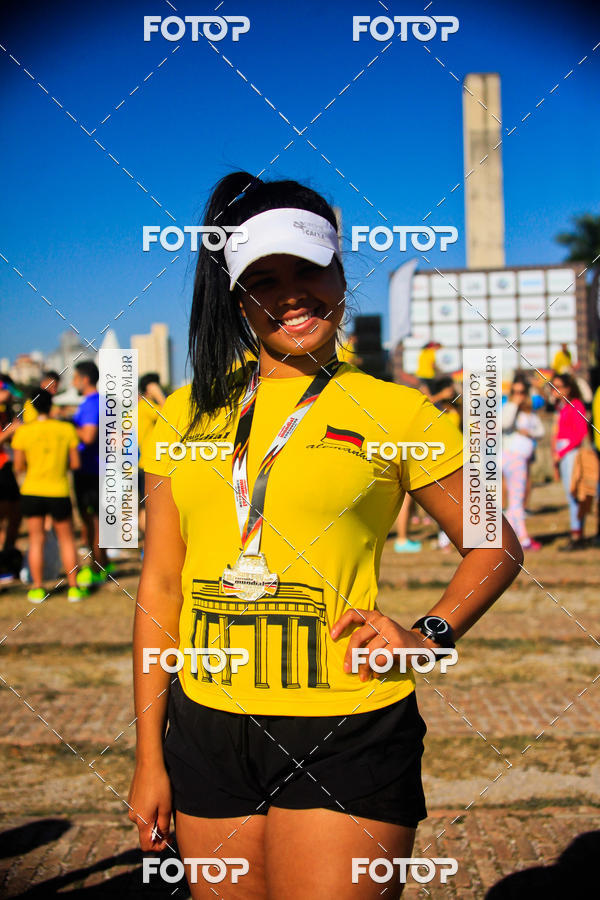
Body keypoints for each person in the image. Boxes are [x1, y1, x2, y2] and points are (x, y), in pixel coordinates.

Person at [128, 171, 523, 900]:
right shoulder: (179, 413)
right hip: (206, 727)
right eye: (264, 277)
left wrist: (429, 634)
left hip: (349, 724)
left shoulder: (398, 412)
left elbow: (495, 543)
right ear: (236, 295)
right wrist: (149, 755)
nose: (291, 292)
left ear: (341, 272)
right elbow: (158, 585)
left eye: (309, 268)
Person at [11, 390, 88, 603]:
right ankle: (73, 587)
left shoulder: (24, 432)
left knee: (36, 540)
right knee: (67, 540)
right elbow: (75, 464)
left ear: (32, 408)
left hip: (32, 491)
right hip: (58, 490)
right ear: (51, 404)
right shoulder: (65, 428)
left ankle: (37, 588)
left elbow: (18, 466)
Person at [72, 361, 110, 585]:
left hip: (91, 471)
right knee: (96, 521)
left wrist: (66, 425)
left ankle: (97, 568)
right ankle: (101, 565)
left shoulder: (91, 403)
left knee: (94, 522)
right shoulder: (102, 401)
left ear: (85, 379)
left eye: (75, 378)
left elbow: (87, 436)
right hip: (99, 469)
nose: (73, 382)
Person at [501, 378, 544, 551]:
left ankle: (510, 539)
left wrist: (529, 432)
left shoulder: (530, 413)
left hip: (523, 459)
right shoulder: (508, 409)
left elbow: (541, 431)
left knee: (515, 502)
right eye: (515, 392)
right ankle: (523, 538)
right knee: (516, 501)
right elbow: (504, 424)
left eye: (521, 393)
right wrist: (513, 404)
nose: (518, 396)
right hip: (512, 459)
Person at [551, 372, 589, 550]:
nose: (555, 390)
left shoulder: (576, 405)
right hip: (564, 454)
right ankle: (576, 532)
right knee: (570, 494)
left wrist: (563, 452)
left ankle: (577, 534)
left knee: (574, 493)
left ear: (568, 388)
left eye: (559, 386)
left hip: (571, 454)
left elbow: (580, 433)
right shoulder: (563, 407)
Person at [0, 374, 23, 581]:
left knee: (15, 514)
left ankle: (6, 557)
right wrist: (12, 431)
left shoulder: (6, 412)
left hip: (5, 469)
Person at [138, 373, 166, 530]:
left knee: (146, 506)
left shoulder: (142, 406)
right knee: (151, 507)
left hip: (145, 463)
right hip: (151, 463)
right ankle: (149, 542)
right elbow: (171, 416)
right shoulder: (147, 405)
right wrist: (158, 394)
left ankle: (146, 545)